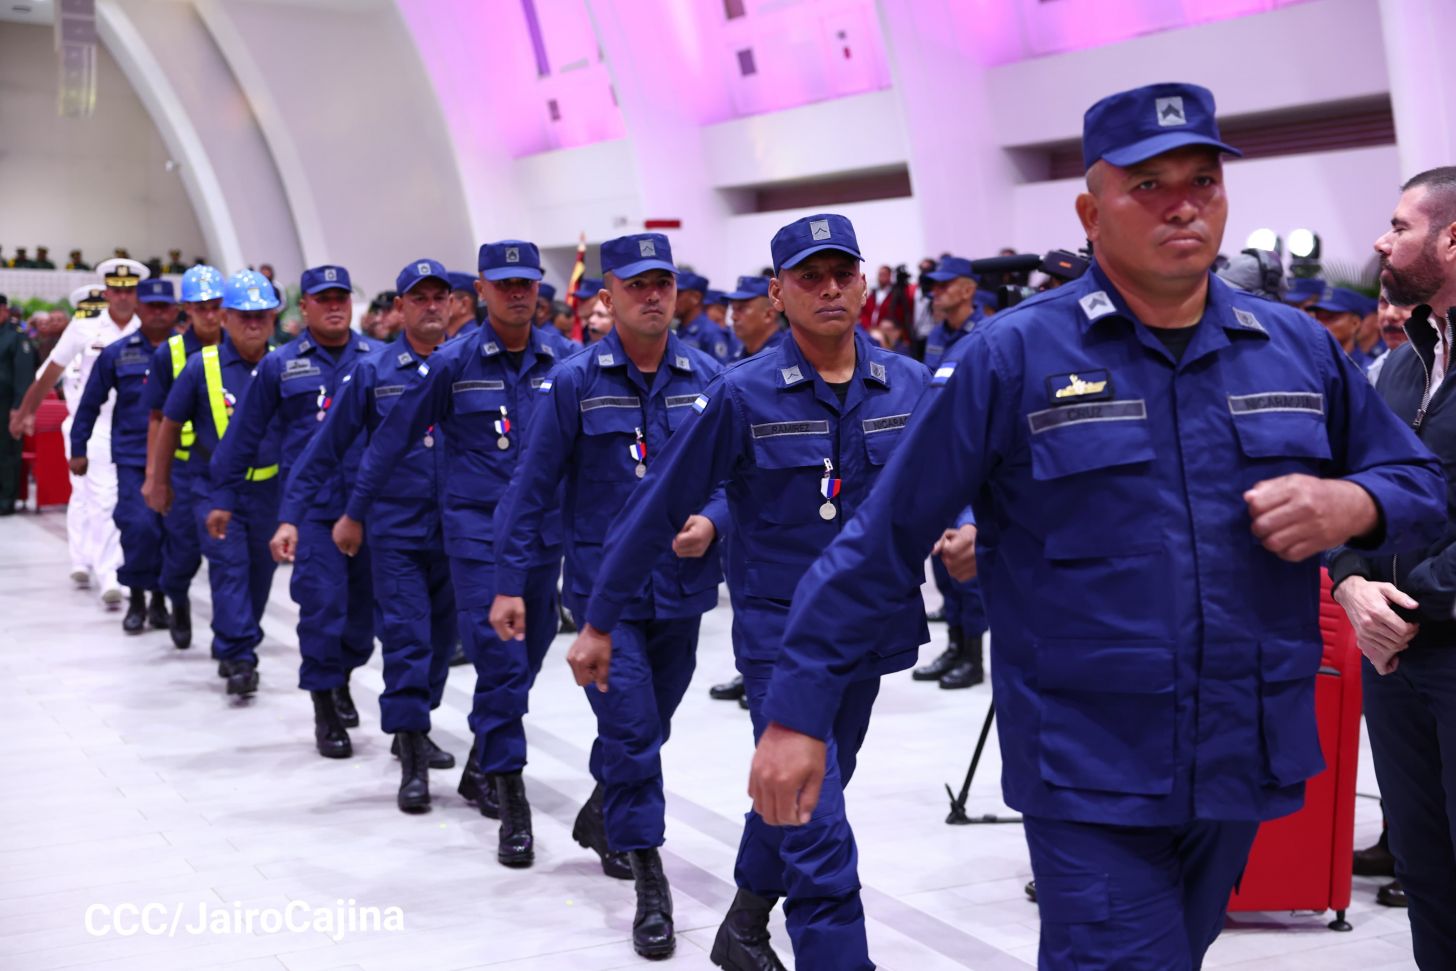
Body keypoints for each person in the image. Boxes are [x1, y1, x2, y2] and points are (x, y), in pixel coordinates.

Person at [746, 81, 1446, 970]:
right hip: (1091, 759)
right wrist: (798, 712)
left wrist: (1353, 504)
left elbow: (1417, 480)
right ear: (1091, 209)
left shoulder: (1293, 347)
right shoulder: (1016, 355)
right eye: (1148, 185)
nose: (1183, 204)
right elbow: (881, 540)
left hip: (1239, 751)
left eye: (1203, 180)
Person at [570, 213, 938, 970]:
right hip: (783, 635)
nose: (830, 288)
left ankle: (742, 924)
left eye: (842, 273)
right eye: (810, 276)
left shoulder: (905, 382)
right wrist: (599, 618)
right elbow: (657, 506)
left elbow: (954, 471)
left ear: (864, 282)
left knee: (804, 790)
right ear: (777, 293)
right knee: (817, 821)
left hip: (873, 625)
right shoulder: (743, 392)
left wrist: (964, 525)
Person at [490, 233, 725, 960]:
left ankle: (604, 811)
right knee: (631, 729)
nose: (653, 295)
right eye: (637, 284)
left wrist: (714, 520)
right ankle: (649, 878)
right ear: (609, 295)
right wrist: (508, 581)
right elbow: (529, 488)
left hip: (682, 591)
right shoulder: (575, 381)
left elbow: (735, 476)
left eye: (664, 282)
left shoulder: (712, 377)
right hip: (604, 601)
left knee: (650, 723)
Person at [357, 240, 564, 863]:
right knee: (499, 663)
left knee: (528, 657)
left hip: (543, 539)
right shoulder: (453, 363)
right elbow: (392, 439)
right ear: (480, 289)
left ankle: (481, 761)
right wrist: (352, 511)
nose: (517, 292)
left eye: (526, 281)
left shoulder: (569, 360)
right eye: (504, 283)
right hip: (476, 539)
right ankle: (511, 799)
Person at [1329, 165, 1456, 971]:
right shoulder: (1405, 359)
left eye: (1401, 225)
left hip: (1433, 636)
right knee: (1424, 869)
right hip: (1394, 652)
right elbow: (1358, 483)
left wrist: (1404, 600)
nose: (1382, 240)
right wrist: (1348, 576)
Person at [287, 259, 457, 811]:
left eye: (440, 297)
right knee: (407, 638)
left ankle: (418, 723)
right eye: (419, 298)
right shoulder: (374, 372)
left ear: (453, 305)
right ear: (401, 308)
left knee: (440, 643)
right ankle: (409, 753)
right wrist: (291, 514)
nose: (431, 306)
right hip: (397, 530)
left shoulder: (472, 367)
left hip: (459, 532)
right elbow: (325, 449)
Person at [212, 265, 376, 755]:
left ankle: (342, 675)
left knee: (363, 623)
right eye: (322, 299)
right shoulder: (281, 366)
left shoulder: (379, 359)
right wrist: (222, 496)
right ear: (302, 308)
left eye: (340, 298)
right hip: (313, 513)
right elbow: (241, 438)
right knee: (323, 610)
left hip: (370, 512)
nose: (333, 306)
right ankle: (325, 706)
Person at [148, 270, 282, 697]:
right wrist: (158, 479)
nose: (254, 323)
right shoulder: (199, 367)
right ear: (226, 318)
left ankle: (234, 637)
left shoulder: (286, 363)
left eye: (262, 315)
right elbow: (168, 424)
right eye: (244, 315)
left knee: (260, 574)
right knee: (230, 569)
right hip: (212, 488)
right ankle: (240, 654)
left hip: (270, 492)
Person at [11, 259, 148, 603]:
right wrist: (25, 411)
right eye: (116, 291)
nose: (122, 298)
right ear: (106, 293)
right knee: (102, 499)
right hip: (95, 425)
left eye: (129, 291)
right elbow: (49, 374)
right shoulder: (83, 327)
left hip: (138, 426)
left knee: (131, 501)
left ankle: (129, 566)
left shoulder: (147, 327)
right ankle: (110, 576)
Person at [69, 278, 177, 633]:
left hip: (180, 458)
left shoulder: (188, 353)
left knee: (169, 531)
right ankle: (137, 597)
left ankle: (160, 599)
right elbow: (89, 403)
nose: (158, 314)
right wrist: (79, 449)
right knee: (137, 526)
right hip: (132, 457)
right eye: (151, 307)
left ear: (174, 310)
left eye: (165, 307)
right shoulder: (118, 353)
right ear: (140, 309)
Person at [706, 273, 789, 706]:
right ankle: (751, 669)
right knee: (744, 596)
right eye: (732, 308)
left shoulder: (780, 363)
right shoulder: (741, 363)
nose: (734, 316)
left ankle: (773, 673)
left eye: (743, 308)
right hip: (741, 509)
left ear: (770, 310)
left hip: (778, 510)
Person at [911, 255, 990, 689]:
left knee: (966, 559)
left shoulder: (985, 333)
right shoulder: (938, 335)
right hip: (941, 457)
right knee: (942, 560)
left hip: (974, 459)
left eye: (945, 286)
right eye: (934, 286)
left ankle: (974, 658)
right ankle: (956, 645)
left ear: (967, 289)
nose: (936, 293)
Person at [142, 265, 226, 650]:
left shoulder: (242, 345)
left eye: (216, 306)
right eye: (201, 307)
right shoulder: (169, 355)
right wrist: (154, 476)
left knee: (228, 558)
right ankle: (176, 597)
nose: (210, 315)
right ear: (186, 309)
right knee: (183, 550)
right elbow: (157, 419)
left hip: (230, 469)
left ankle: (232, 642)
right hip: (182, 468)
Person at [0, 295, 36, 515]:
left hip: (6, 405)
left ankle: (6, 499)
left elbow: (24, 376)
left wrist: (19, 409)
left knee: (6, 453)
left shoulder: (16, 337)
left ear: (4, 310)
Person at [1307, 286, 1371, 366]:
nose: (1321, 324)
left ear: (1355, 323)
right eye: (1318, 318)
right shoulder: (1310, 365)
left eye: (1331, 318)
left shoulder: (1370, 371)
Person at [446, 272, 481, 341]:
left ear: (464, 304)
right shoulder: (451, 337)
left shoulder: (472, 340)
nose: (434, 307)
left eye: (441, 298)